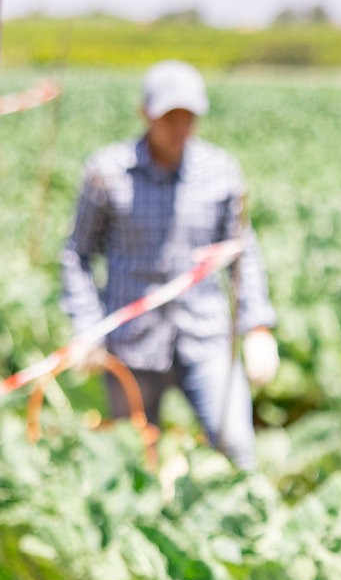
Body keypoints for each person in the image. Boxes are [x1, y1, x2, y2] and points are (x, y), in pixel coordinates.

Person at [59, 59, 278, 470]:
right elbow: (77, 253)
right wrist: (86, 327)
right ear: (145, 114)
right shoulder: (107, 173)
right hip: (130, 343)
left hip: (204, 334)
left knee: (236, 447)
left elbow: (241, 253)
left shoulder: (220, 172)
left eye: (188, 118)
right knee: (131, 460)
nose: (179, 128)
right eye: (169, 117)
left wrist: (257, 327)